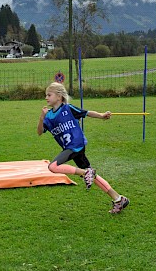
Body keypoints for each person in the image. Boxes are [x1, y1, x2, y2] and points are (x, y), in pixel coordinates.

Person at [37, 82, 129, 214]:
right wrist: (41, 118)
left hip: (76, 145)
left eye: (49, 95)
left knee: (53, 166)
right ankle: (119, 199)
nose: (46, 97)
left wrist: (102, 115)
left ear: (59, 97)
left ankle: (85, 173)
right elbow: (40, 132)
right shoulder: (49, 117)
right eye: (46, 95)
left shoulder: (68, 109)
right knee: (93, 175)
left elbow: (87, 113)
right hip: (70, 148)